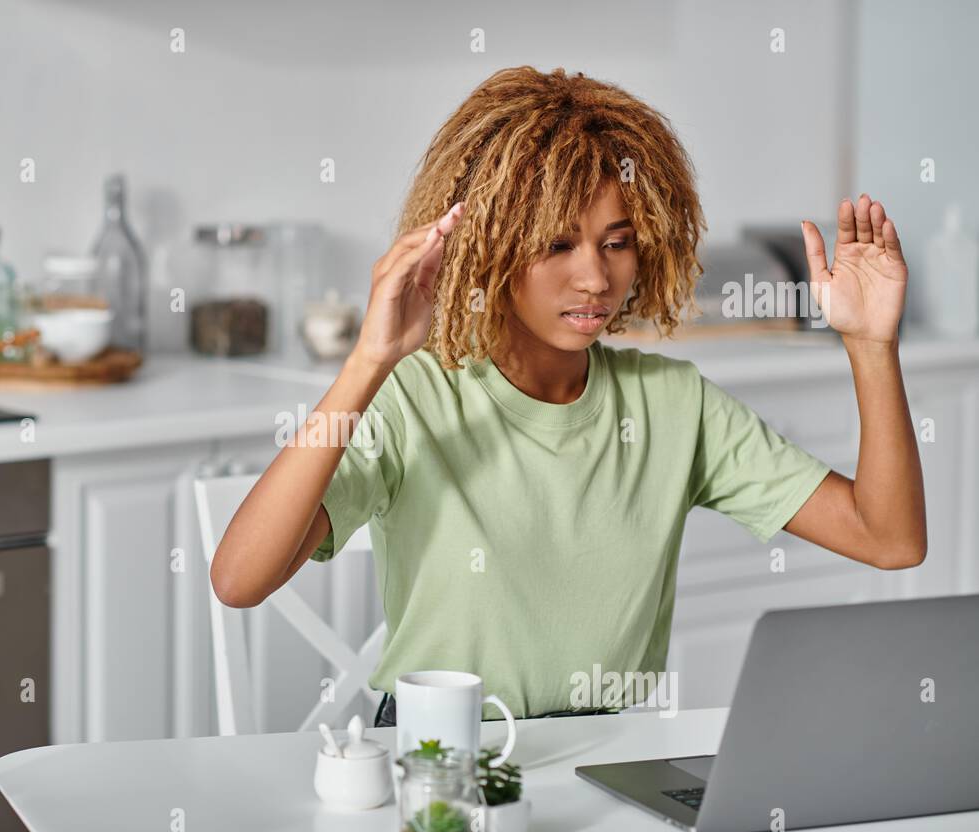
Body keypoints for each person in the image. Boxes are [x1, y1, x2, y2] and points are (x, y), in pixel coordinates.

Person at [208, 66, 924, 728]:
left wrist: (869, 346)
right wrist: (368, 361)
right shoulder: (413, 396)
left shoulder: (673, 405)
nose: (594, 278)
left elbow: (888, 538)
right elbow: (239, 578)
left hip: (610, 763)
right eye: (556, 246)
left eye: (616, 242)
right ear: (486, 248)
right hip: (440, 762)